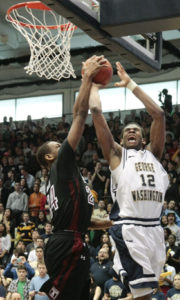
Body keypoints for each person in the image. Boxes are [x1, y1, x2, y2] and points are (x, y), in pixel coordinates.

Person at [89, 62, 169, 300]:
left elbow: (159, 115)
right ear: (121, 139)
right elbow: (97, 115)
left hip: (155, 228)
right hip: (130, 228)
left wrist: (130, 84)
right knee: (143, 295)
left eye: (136, 130)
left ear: (144, 139)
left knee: (145, 293)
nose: (131, 132)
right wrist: (92, 87)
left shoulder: (153, 154)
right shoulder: (117, 155)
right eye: (127, 132)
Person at [36, 56, 113, 300]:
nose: (63, 146)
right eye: (57, 145)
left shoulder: (64, 177)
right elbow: (79, 114)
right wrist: (87, 79)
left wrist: (105, 223)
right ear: (49, 157)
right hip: (68, 244)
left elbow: (74, 217)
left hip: (70, 240)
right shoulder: (61, 163)